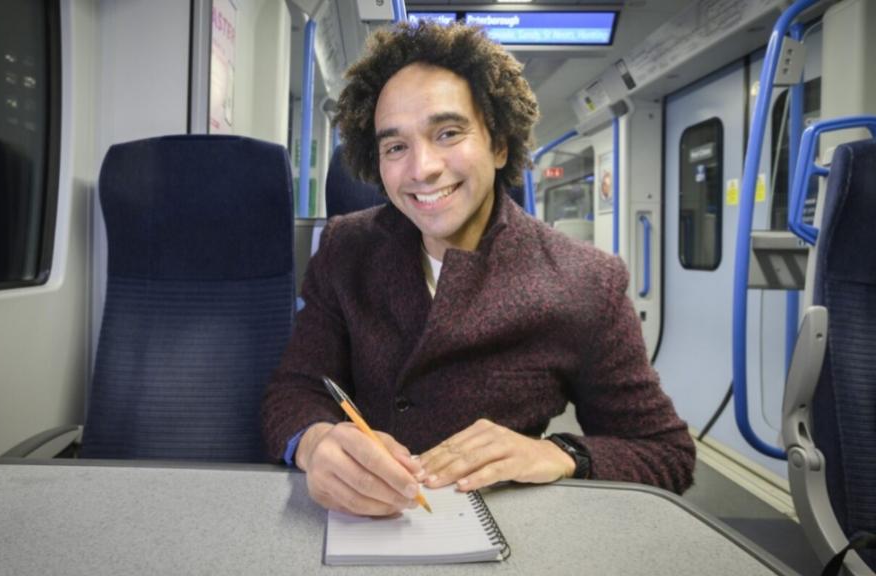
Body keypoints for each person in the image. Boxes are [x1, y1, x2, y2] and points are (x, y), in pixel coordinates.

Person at [261, 21, 695, 517]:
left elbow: (666, 454)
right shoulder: (346, 248)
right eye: (395, 146)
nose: (422, 167)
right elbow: (294, 390)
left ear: (499, 145)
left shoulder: (585, 281)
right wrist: (315, 442)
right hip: (364, 525)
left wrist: (559, 453)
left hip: (508, 531)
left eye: (448, 133)